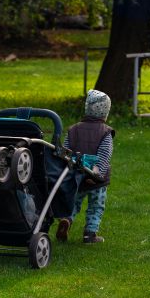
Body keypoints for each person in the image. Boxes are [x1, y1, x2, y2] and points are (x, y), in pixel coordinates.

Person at [55, 89, 115, 243]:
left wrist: (67, 169)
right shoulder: (105, 132)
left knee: (74, 202)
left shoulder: (74, 129)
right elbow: (104, 155)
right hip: (96, 180)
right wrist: (97, 174)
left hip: (76, 176)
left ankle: (67, 220)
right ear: (105, 111)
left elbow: (66, 152)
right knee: (96, 206)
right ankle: (90, 234)